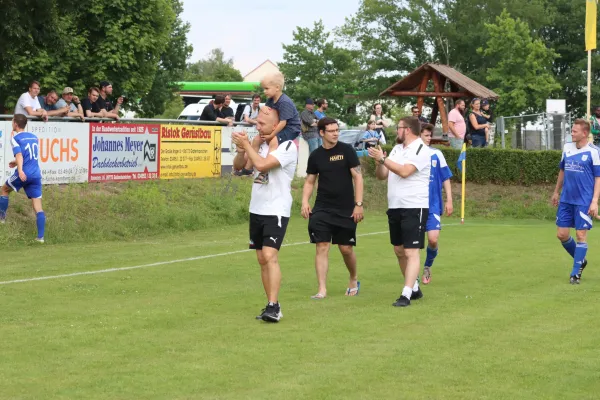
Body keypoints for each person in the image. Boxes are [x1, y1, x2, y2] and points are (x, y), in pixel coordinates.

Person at [231, 106, 298, 322]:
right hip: (257, 208)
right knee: (261, 258)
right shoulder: (258, 144)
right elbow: (242, 167)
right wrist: (242, 150)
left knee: (270, 255)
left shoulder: (287, 146)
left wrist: (249, 146)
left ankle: (273, 306)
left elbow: (263, 165)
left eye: (261, 124)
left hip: (276, 209)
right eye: (257, 123)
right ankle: (271, 304)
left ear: (276, 125)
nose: (257, 126)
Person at [367, 116, 431, 307]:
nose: (397, 131)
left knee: (411, 251)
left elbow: (404, 171)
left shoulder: (421, 149)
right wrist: (379, 162)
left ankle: (405, 294)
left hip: (414, 205)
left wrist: (383, 159)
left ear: (408, 130)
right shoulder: (397, 149)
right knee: (399, 250)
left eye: (399, 127)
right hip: (395, 206)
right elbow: (382, 176)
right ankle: (415, 288)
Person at [301, 117, 364, 299]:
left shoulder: (347, 150)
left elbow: (358, 178)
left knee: (345, 249)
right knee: (321, 246)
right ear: (321, 133)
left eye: (337, 130)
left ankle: (353, 278)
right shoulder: (315, 156)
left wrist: (358, 204)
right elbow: (310, 181)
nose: (336, 133)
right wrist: (305, 201)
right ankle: (322, 289)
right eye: (331, 130)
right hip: (322, 208)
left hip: (346, 209)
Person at [551, 119, 600, 284]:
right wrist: (556, 192)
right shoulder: (567, 148)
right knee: (562, 235)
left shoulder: (594, 152)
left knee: (580, 235)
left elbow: (598, 178)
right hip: (566, 199)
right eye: (571, 130)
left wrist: (594, 201)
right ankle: (581, 260)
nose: (571, 133)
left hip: (584, 201)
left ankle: (575, 273)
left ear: (584, 133)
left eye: (575, 131)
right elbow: (562, 171)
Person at [0, 114, 46, 243]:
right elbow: (29, 156)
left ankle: (2, 220)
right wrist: (16, 162)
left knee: (4, 189)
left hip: (25, 173)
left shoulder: (15, 138)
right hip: (36, 174)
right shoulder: (34, 137)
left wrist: (20, 170)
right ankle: (40, 237)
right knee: (38, 207)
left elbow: (20, 154)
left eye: (12, 121)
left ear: (15, 123)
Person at [253, 72, 301, 184]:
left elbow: (283, 123)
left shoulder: (284, 102)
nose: (264, 91)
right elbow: (268, 114)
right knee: (257, 139)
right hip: (279, 125)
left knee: (273, 140)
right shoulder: (270, 100)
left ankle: (265, 172)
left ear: (277, 88)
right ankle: (249, 166)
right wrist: (263, 108)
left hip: (291, 128)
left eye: (266, 88)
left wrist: (271, 135)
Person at [419, 124, 453, 284]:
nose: (428, 138)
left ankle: (427, 266)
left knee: (432, 239)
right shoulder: (411, 155)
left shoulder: (436, 154)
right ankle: (411, 275)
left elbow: (445, 177)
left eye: (429, 136)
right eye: (425, 135)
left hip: (432, 204)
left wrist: (449, 200)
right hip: (414, 205)